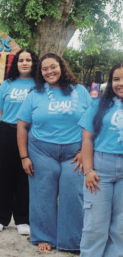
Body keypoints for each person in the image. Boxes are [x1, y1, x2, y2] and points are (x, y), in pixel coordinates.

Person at [17, 53, 92, 252]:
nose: (50, 71)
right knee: (43, 193)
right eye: (45, 69)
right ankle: (45, 237)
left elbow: (92, 123)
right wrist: (24, 157)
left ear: (62, 67)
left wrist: (85, 152)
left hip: (73, 153)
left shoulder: (81, 91)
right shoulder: (35, 94)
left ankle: (72, 241)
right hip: (41, 151)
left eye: (53, 66)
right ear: (40, 72)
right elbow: (22, 126)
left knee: (73, 194)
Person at [0, 49, 38, 235]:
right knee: (3, 175)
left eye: (28, 60)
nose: (24, 63)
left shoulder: (39, 84)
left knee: (25, 174)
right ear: (16, 63)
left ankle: (23, 219)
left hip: (30, 133)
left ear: (34, 63)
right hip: (7, 132)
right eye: (20, 60)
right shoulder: (7, 84)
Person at [79, 63, 123, 256]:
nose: (121, 83)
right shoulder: (98, 104)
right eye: (116, 79)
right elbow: (87, 138)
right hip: (100, 169)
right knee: (95, 225)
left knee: (121, 228)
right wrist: (88, 171)